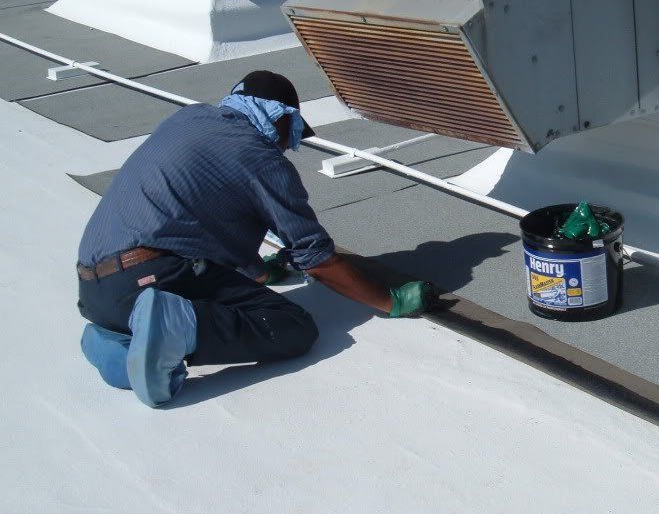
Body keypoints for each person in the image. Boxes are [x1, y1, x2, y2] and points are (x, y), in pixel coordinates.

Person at [76, 70, 438, 408]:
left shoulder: (186, 120)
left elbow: (194, 217)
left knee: (168, 303)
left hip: (98, 293)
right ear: (280, 118)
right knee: (292, 327)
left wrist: (260, 273)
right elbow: (318, 260)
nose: (286, 145)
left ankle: (114, 346)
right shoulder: (260, 158)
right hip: (155, 279)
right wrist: (389, 302)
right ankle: (175, 327)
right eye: (291, 131)